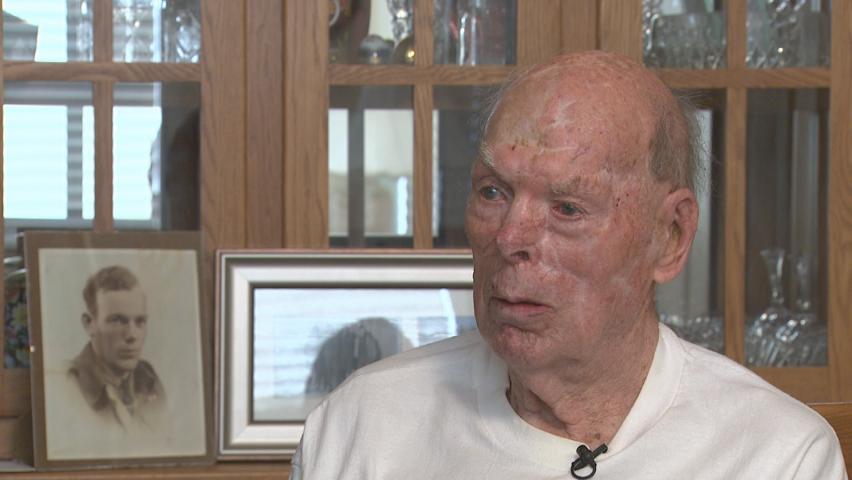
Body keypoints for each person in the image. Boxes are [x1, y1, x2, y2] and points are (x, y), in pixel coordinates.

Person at [290, 51, 846, 479]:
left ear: (671, 236)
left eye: (568, 208)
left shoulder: (776, 454)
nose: (510, 238)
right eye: (492, 192)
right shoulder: (362, 425)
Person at [67, 265, 166, 433]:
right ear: (89, 324)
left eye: (140, 321)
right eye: (118, 321)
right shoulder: (68, 386)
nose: (132, 335)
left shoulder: (148, 377)